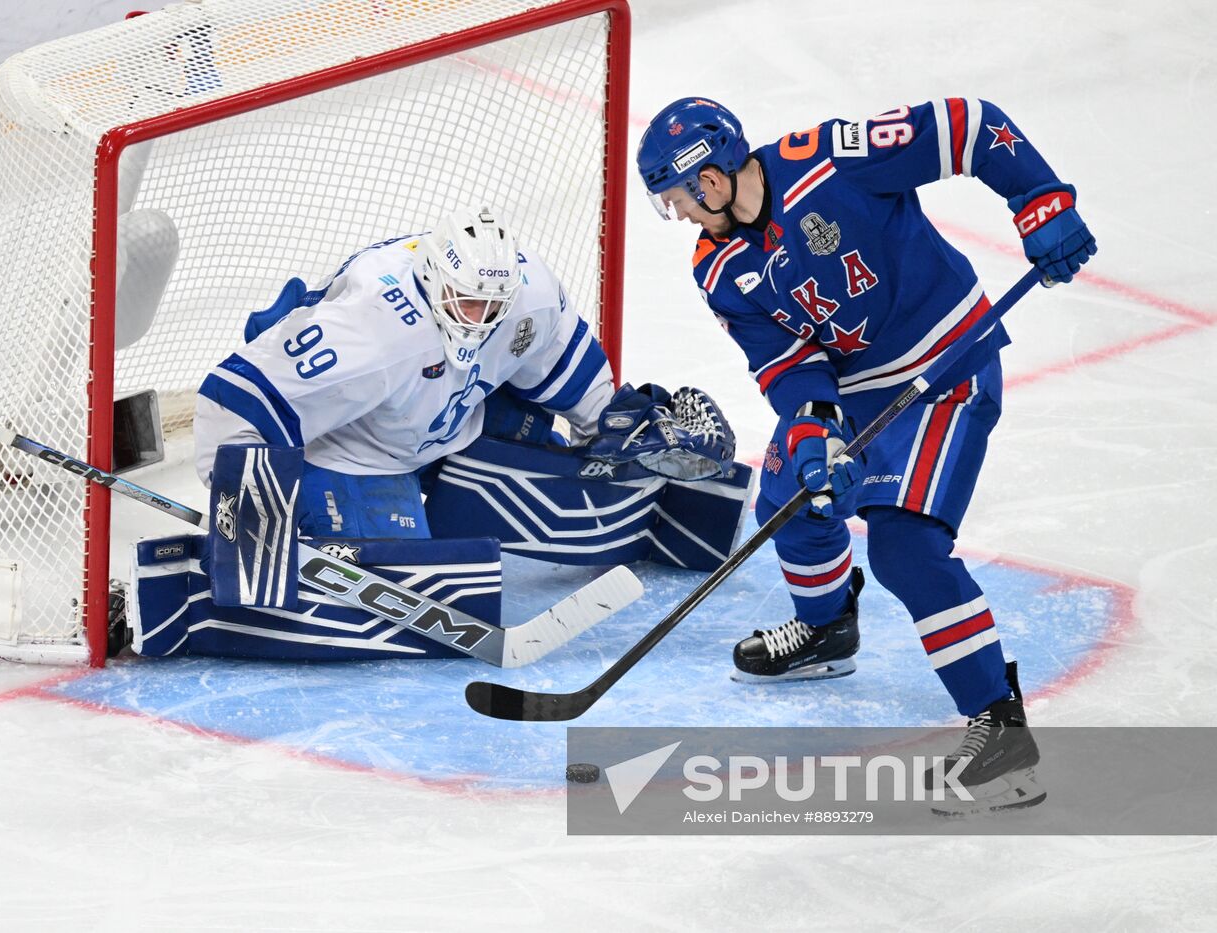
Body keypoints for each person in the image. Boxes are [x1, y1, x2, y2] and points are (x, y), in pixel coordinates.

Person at [636, 96, 1096, 813]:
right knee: (790, 483)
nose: (683, 217)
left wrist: (1039, 199)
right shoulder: (717, 265)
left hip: (947, 366)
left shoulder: (830, 158)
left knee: (905, 549)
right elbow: (787, 364)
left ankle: (1002, 731)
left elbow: (969, 125)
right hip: (860, 397)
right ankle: (825, 628)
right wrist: (814, 425)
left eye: (680, 199)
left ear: (712, 176)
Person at [127, 207, 742, 662]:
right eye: (466, 303)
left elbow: (575, 381)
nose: (481, 319)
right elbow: (231, 404)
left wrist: (618, 429)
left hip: (449, 422)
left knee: (568, 480)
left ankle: (628, 514)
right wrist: (251, 506)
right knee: (426, 597)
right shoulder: (370, 331)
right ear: (431, 280)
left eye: (492, 305)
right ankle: (186, 600)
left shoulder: (527, 296)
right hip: (347, 452)